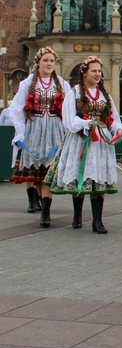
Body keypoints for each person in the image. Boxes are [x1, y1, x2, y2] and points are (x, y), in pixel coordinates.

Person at [43, 56, 122, 233]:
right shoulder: (74, 93)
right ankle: (77, 215)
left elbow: (113, 118)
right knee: (80, 176)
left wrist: (118, 129)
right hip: (81, 140)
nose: (97, 74)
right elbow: (69, 120)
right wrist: (85, 124)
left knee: (98, 178)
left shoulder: (105, 94)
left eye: (99, 71)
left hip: (100, 142)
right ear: (84, 73)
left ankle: (97, 221)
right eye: (93, 71)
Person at [9, 46, 71, 226]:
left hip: (54, 129)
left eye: (52, 61)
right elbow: (17, 108)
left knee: (48, 172)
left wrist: (69, 130)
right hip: (35, 129)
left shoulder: (61, 83)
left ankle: (45, 212)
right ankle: (33, 201)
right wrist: (20, 132)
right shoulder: (27, 84)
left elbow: (68, 109)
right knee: (36, 171)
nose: (49, 64)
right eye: (46, 60)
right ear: (38, 63)